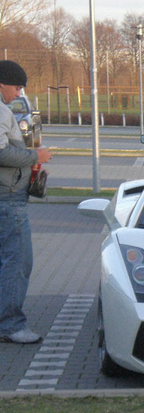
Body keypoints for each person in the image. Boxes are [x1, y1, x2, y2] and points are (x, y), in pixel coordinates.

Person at [0, 60, 52, 344]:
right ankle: (10, 326)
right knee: (17, 262)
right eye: (17, 87)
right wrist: (36, 157)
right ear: (2, 84)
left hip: (7, 195)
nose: (19, 93)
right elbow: (1, 154)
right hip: (8, 199)